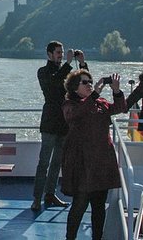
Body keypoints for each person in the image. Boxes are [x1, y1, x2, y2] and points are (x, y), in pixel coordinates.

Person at [61, 70, 126, 240]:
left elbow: (120, 108)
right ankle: (70, 238)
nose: (89, 84)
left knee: (98, 207)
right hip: (82, 162)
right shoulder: (70, 104)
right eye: (85, 82)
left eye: (90, 81)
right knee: (79, 205)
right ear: (75, 88)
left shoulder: (100, 103)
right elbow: (75, 115)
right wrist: (95, 93)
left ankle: (97, 237)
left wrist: (117, 91)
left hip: (101, 161)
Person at [32, 41, 88, 211]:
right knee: (44, 163)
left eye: (62, 52)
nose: (61, 55)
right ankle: (36, 198)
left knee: (57, 163)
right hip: (49, 123)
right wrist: (68, 64)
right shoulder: (43, 72)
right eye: (58, 52)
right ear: (49, 54)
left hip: (64, 123)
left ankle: (50, 194)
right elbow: (53, 84)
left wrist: (83, 63)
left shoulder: (67, 73)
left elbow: (86, 84)